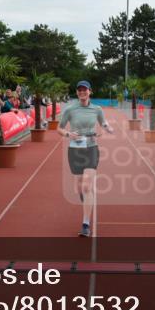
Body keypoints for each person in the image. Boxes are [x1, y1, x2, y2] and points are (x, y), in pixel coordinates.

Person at [57, 80, 113, 237]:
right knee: (80, 187)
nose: (82, 92)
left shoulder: (97, 109)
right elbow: (59, 128)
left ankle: (85, 224)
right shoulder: (70, 109)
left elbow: (103, 123)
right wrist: (68, 134)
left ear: (90, 91)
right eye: (80, 90)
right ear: (77, 92)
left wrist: (107, 129)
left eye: (85, 90)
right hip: (75, 150)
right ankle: (87, 200)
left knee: (87, 187)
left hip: (91, 149)